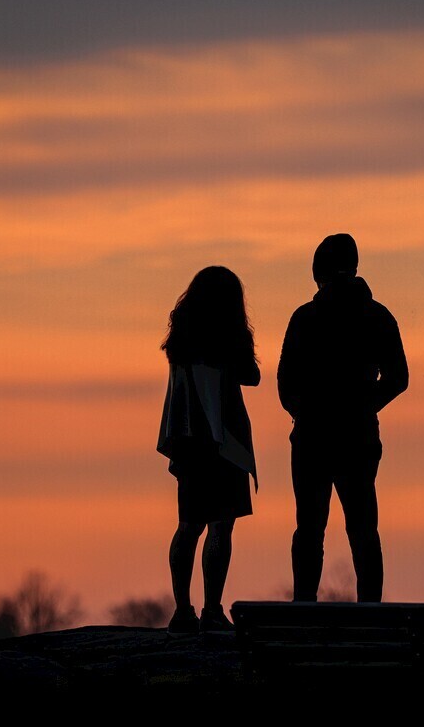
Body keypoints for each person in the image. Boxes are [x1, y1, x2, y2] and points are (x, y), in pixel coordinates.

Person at [278, 234, 408, 602]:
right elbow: (399, 379)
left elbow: (285, 382)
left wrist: (305, 411)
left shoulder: (304, 318)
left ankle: (304, 606)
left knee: (309, 529)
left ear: (318, 272)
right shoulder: (378, 316)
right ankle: (371, 611)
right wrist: (365, 406)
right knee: (364, 528)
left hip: (312, 438)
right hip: (358, 436)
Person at [157, 266, 259, 636]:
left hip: (187, 439)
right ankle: (212, 610)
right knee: (220, 527)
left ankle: (182, 609)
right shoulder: (229, 340)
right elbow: (252, 375)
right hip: (223, 441)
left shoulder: (182, 339)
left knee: (188, 526)